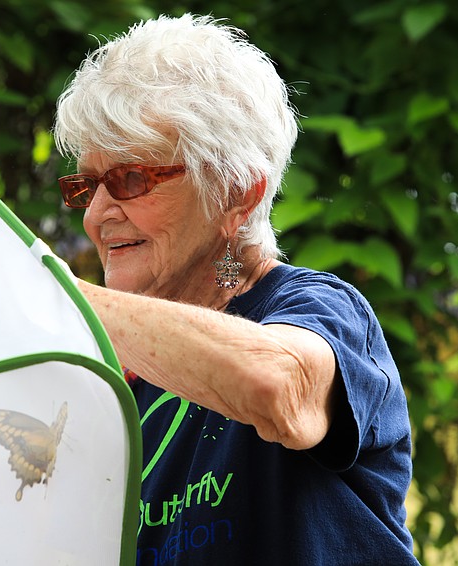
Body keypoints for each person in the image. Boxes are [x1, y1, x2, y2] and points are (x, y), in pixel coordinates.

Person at [53, 13, 419, 565]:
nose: (98, 214)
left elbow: (276, 387)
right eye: (85, 185)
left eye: (131, 180)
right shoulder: (111, 384)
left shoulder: (319, 309)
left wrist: (48, 295)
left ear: (236, 195)